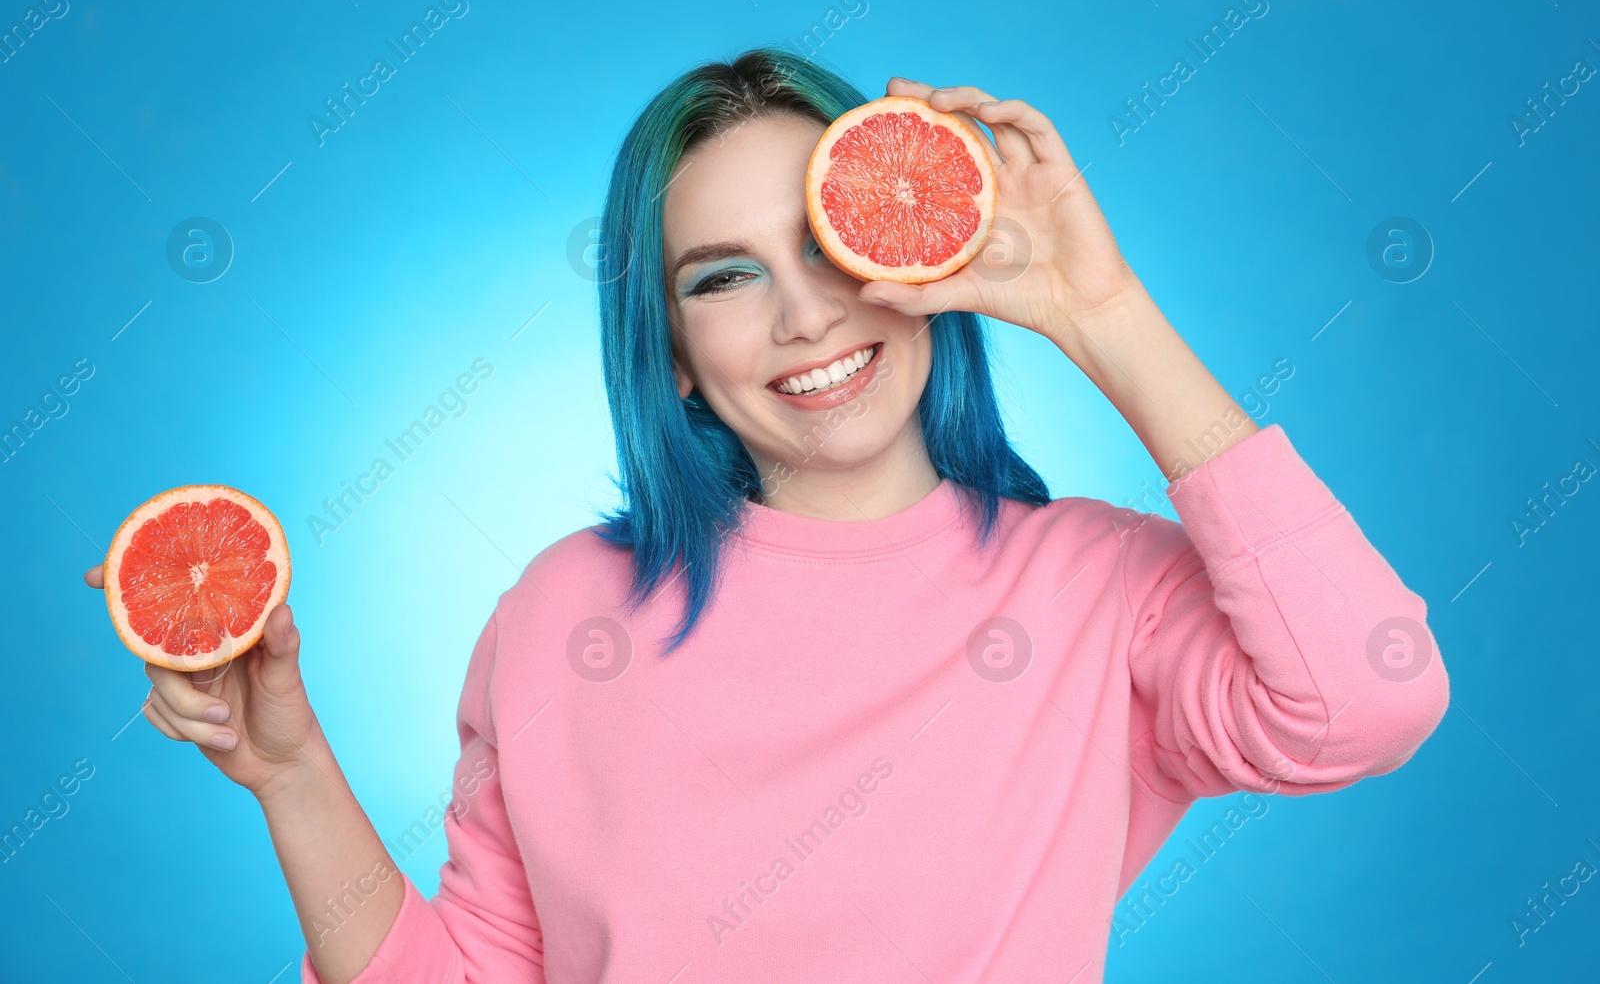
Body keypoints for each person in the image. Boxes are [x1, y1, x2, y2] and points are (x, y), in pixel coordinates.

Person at [85, 48, 1450, 983]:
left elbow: (1368, 701)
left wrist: (1106, 315)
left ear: (924, 255)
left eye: (830, 239)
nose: (804, 314)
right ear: (671, 346)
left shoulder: (1096, 591)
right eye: (725, 275)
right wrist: (291, 770)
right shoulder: (565, 612)